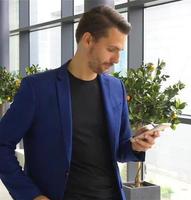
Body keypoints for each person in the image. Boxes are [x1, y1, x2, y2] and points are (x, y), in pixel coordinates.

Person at [0, 5, 159, 200]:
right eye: (111, 49)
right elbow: (2, 145)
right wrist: (31, 195)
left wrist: (136, 145)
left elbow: (120, 150)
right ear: (88, 39)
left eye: (120, 51)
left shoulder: (116, 88)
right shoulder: (37, 88)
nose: (117, 59)